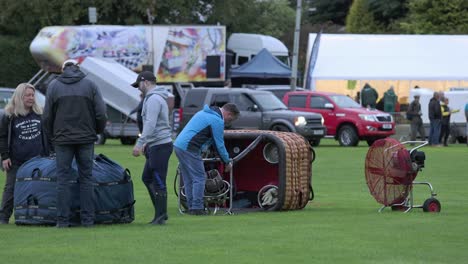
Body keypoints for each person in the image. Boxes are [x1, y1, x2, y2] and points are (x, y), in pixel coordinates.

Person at [43, 59, 107, 228]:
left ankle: (62, 221)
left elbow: (47, 116)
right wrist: (97, 131)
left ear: (63, 69)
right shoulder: (90, 85)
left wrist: (52, 135)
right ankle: (88, 220)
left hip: (62, 139)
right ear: (78, 68)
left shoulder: (54, 86)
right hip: (86, 138)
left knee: (62, 180)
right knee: (86, 179)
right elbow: (101, 113)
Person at [174, 103, 239, 215]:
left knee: (189, 178)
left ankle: (191, 207)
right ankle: (197, 208)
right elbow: (219, 144)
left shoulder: (203, 113)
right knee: (199, 178)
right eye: (231, 119)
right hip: (190, 148)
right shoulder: (217, 120)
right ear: (229, 114)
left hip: (179, 145)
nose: (229, 122)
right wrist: (227, 161)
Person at [130, 71, 173, 225]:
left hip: (160, 145)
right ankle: (161, 213)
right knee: (147, 177)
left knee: (158, 180)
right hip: (157, 144)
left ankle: (160, 216)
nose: (138, 88)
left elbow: (150, 124)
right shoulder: (154, 98)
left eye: (138, 85)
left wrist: (140, 144)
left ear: (146, 82)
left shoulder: (154, 99)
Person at [0, 83, 45, 224]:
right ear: (20, 97)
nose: (31, 98)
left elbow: (47, 135)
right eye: (27, 95)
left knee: (39, 188)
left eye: (33, 95)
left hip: (38, 160)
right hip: (16, 160)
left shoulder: (40, 114)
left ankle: (36, 216)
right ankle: (3, 217)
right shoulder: (9, 116)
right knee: (11, 188)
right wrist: (5, 156)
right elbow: (2, 137)